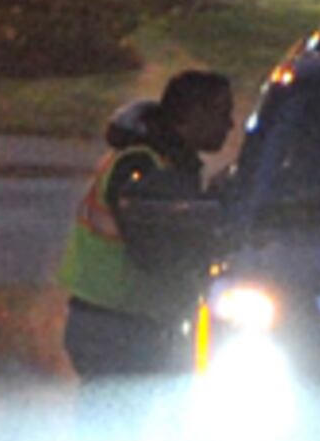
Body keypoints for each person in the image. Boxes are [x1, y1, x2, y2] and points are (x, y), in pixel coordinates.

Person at [58, 70, 236, 382]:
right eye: (222, 113)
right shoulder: (142, 166)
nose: (230, 124)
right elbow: (159, 251)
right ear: (194, 113)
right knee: (121, 425)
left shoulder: (164, 164)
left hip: (121, 323)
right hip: (117, 328)